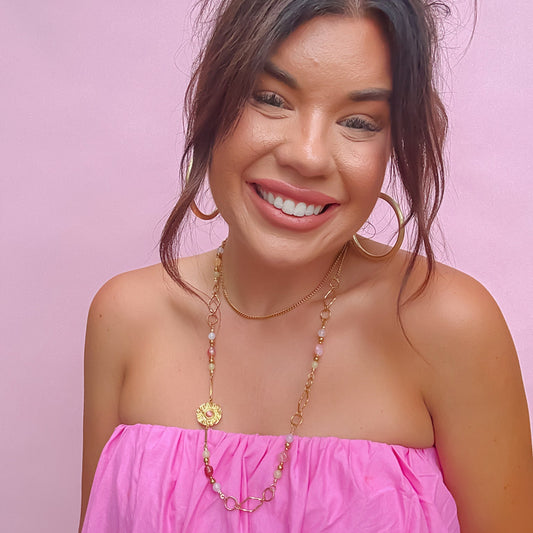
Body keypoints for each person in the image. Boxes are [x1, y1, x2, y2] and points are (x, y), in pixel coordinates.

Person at [79, 1, 533, 531]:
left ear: (394, 144)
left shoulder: (448, 326)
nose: (309, 156)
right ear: (213, 97)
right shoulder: (126, 319)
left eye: (359, 122)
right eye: (271, 98)